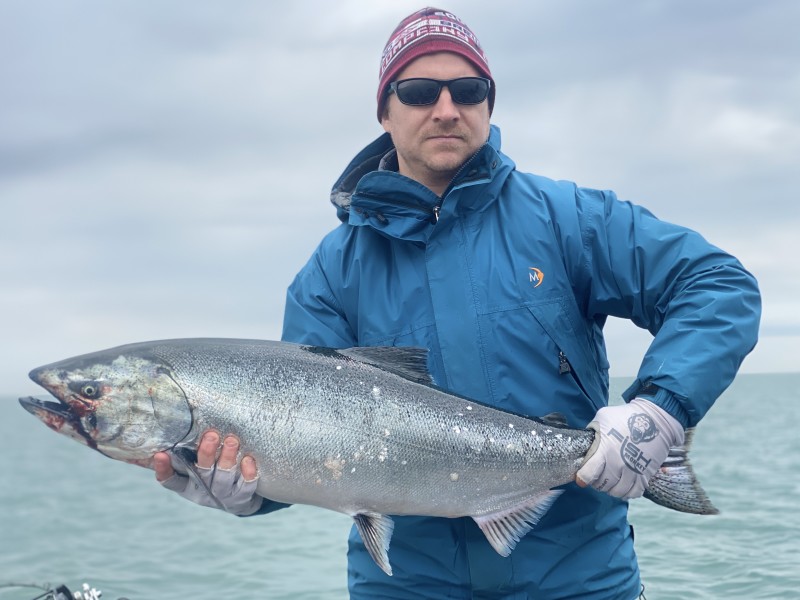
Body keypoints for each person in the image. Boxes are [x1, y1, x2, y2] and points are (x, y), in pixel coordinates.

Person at [153, 7, 761, 599]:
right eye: (419, 91)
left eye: (467, 89)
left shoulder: (569, 220)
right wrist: (247, 491)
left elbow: (717, 284)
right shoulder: (330, 276)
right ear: (384, 111)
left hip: (582, 582)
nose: (446, 109)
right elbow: (305, 453)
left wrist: (661, 408)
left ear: (488, 104)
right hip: (404, 588)